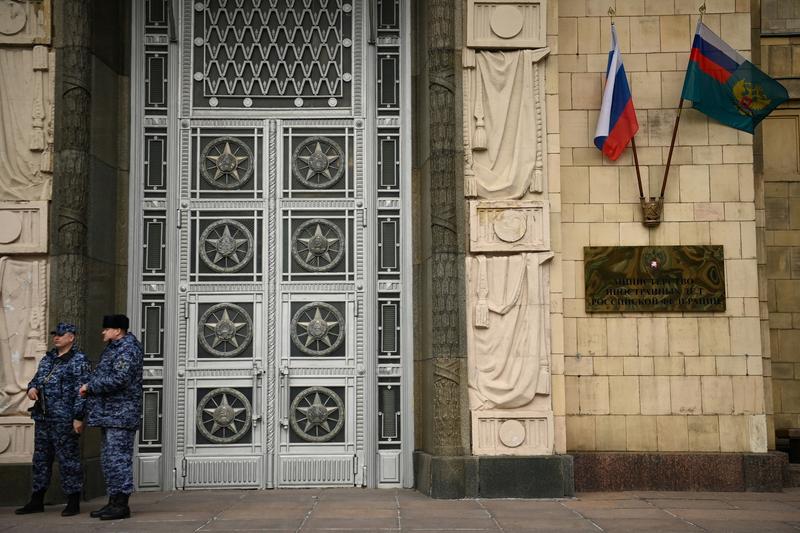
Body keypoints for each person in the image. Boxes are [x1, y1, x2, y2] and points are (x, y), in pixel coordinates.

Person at [15, 322, 89, 517]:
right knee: (41, 459)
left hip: (64, 419)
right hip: (44, 417)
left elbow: (82, 392)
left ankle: (73, 501)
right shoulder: (48, 359)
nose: (56, 337)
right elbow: (36, 379)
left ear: (71, 337)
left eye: (61, 334)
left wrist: (78, 417)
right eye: (55, 334)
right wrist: (31, 388)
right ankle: (37, 499)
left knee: (68, 460)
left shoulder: (79, 360)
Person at [79, 314, 143, 521]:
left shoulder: (128, 349)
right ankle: (113, 501)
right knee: (109, 460)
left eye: (107, 329)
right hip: (110, 414)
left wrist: (91, 387)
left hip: (121, 414)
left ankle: (121, 505)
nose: (103, 332)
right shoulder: (114, 348)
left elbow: (120, 378)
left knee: (119, 459)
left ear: (118, 331)